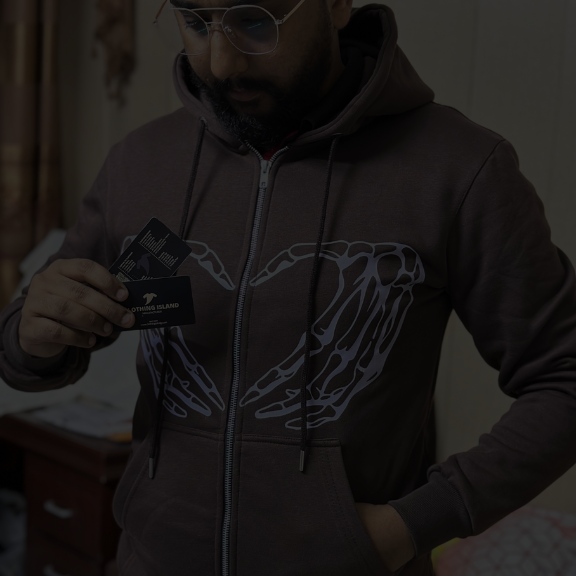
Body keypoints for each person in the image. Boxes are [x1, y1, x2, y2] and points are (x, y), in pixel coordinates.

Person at [1, 1, 576, 575]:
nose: (221, 63)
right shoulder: (140, 161)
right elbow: (28, 349)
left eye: (255, 21)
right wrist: (33, 334)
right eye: (197, 23)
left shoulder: (460, 168)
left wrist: (412, 524)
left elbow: (564, 375)